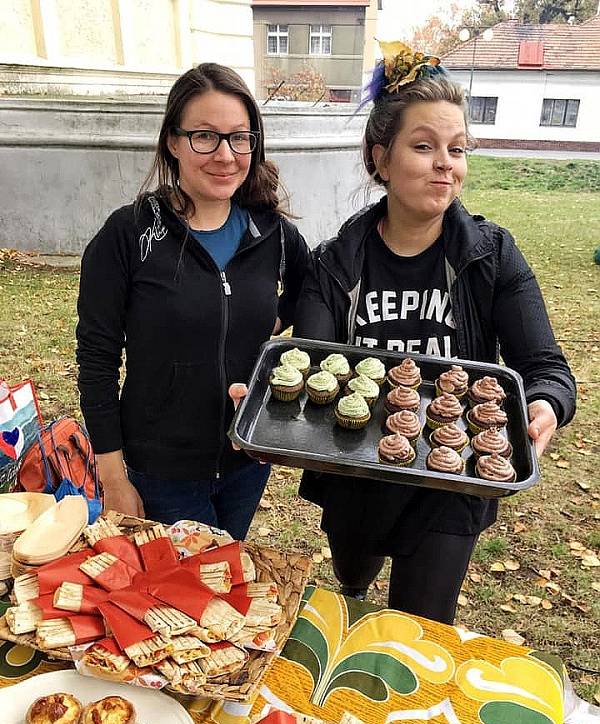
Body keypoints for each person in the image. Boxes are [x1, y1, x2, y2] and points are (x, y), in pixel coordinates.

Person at [291, 43, 577, 623]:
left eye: (457, 149)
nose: (446, 163)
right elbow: (313, 366)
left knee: (418, 628)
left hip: (452, 482)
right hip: (357, 476)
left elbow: (548, 369)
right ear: (381, 159)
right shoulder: (334, 265)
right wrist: (283, 394)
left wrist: (546, 405)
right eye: (424, 147)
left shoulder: (491, 256)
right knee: (353, 581)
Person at [76, 63, 311, 539]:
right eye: (205, 136)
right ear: (173, 141)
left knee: (224, 583)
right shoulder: (129, 234)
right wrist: (113, 476)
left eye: (239, 138)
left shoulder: (273, 234)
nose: (225, 155)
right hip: (157, 470)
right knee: (179, 600)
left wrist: (260, 330)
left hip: (246, 461)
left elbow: (308, 297)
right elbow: (97, 360)